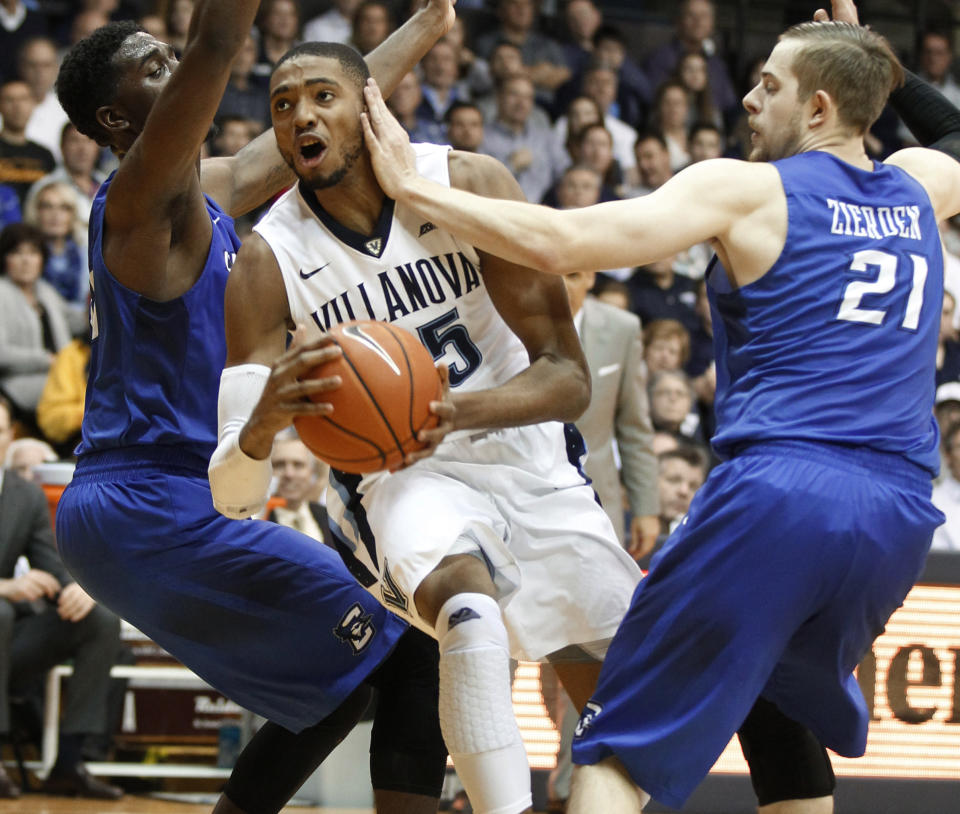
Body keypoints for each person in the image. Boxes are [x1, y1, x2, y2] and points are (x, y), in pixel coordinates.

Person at [360, 1, 960, 809]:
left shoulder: (747, 190)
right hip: (894, 517)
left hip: (780, 494)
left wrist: (413, 188)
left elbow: (559, 243)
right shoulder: (918, 188)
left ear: (817, 108)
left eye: (769, 85)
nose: (748, 99)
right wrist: (879, 66)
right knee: (781, 721)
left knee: (613, 746)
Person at [209, 40, 642, 814]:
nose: (300, 115)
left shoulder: (468, 183)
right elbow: (233, 495)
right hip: (398, 477)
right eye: (282, 105)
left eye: (320, 96)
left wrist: (453, 412)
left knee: (634, 711)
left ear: (369, 102)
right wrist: (261, 424)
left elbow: (568, 378)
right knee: (467, 615)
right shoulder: (265, 263)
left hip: (530, 458)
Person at [52, 3, 461, 814]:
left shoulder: (207, 190)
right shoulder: (137, 206)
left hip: (166, 501)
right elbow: (218, 39)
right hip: (147, 501)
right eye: (154, 65)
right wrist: (209, 44)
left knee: (348, 681)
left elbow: (332, 106)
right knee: (410, 650)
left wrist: (428, 22)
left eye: (173, 56)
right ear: (115, 117)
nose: (177, 63)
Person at [0, 395, 123, 800]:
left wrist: (78, 588)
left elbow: (50, 562)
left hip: (11, 645)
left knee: (99, 618)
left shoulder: (27, 495)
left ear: (10, 436)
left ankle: (70, 760)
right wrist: (6, 588)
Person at [563, 269, 658, 557]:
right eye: (549, 274)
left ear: (591, 277)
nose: (560, 285)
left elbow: (634, 425)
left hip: (598, 494)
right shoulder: (503, 319)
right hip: (522, 494)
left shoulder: (622, 328)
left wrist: (646, 508)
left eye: (571, 275)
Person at [0, 222, 73, 423]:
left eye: (33, 253)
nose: (26, 260)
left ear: (42, 259)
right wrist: (45, 360)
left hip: (60, 381)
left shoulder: (45, 291)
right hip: (17, 387)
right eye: (16, 252)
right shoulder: (2, 292)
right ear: (5, 258)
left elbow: (76, 320)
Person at [267, 430, 332, 547]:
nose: (289, 474)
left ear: (311, 472)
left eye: (298, 465)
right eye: (279, 465)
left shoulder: (331, 520)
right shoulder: (257, 521)